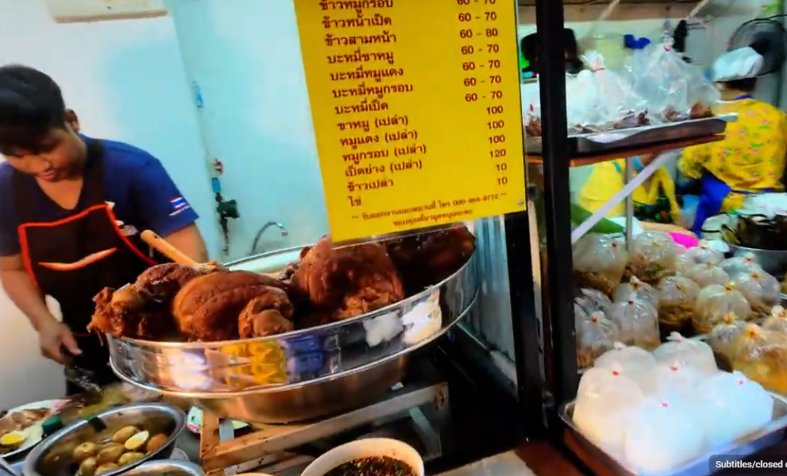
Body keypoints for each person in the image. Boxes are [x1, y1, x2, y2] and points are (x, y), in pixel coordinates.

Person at [0, 65, 208, 394]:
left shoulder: (131, 168)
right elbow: (11, 267)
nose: (40, 166)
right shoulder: (6, 190)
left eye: (46, 147)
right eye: (19, 157)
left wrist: (181, 328)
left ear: (71, 120)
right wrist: (44, 323)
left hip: (162, 335)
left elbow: (189, 252)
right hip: (85, 345)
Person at [679, 47, 787, 234]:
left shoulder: (715, 119)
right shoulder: (777, 116)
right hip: (773, 209)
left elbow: (689, 168)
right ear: (754, 83)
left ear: (720, 84)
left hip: (723, 210)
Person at [578, 154, 688, 234]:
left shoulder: (660, 173)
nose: (655, 153)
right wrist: (668, 229)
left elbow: (675, 215)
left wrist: (687, 236)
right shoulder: (610, 169)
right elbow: (609, 224)